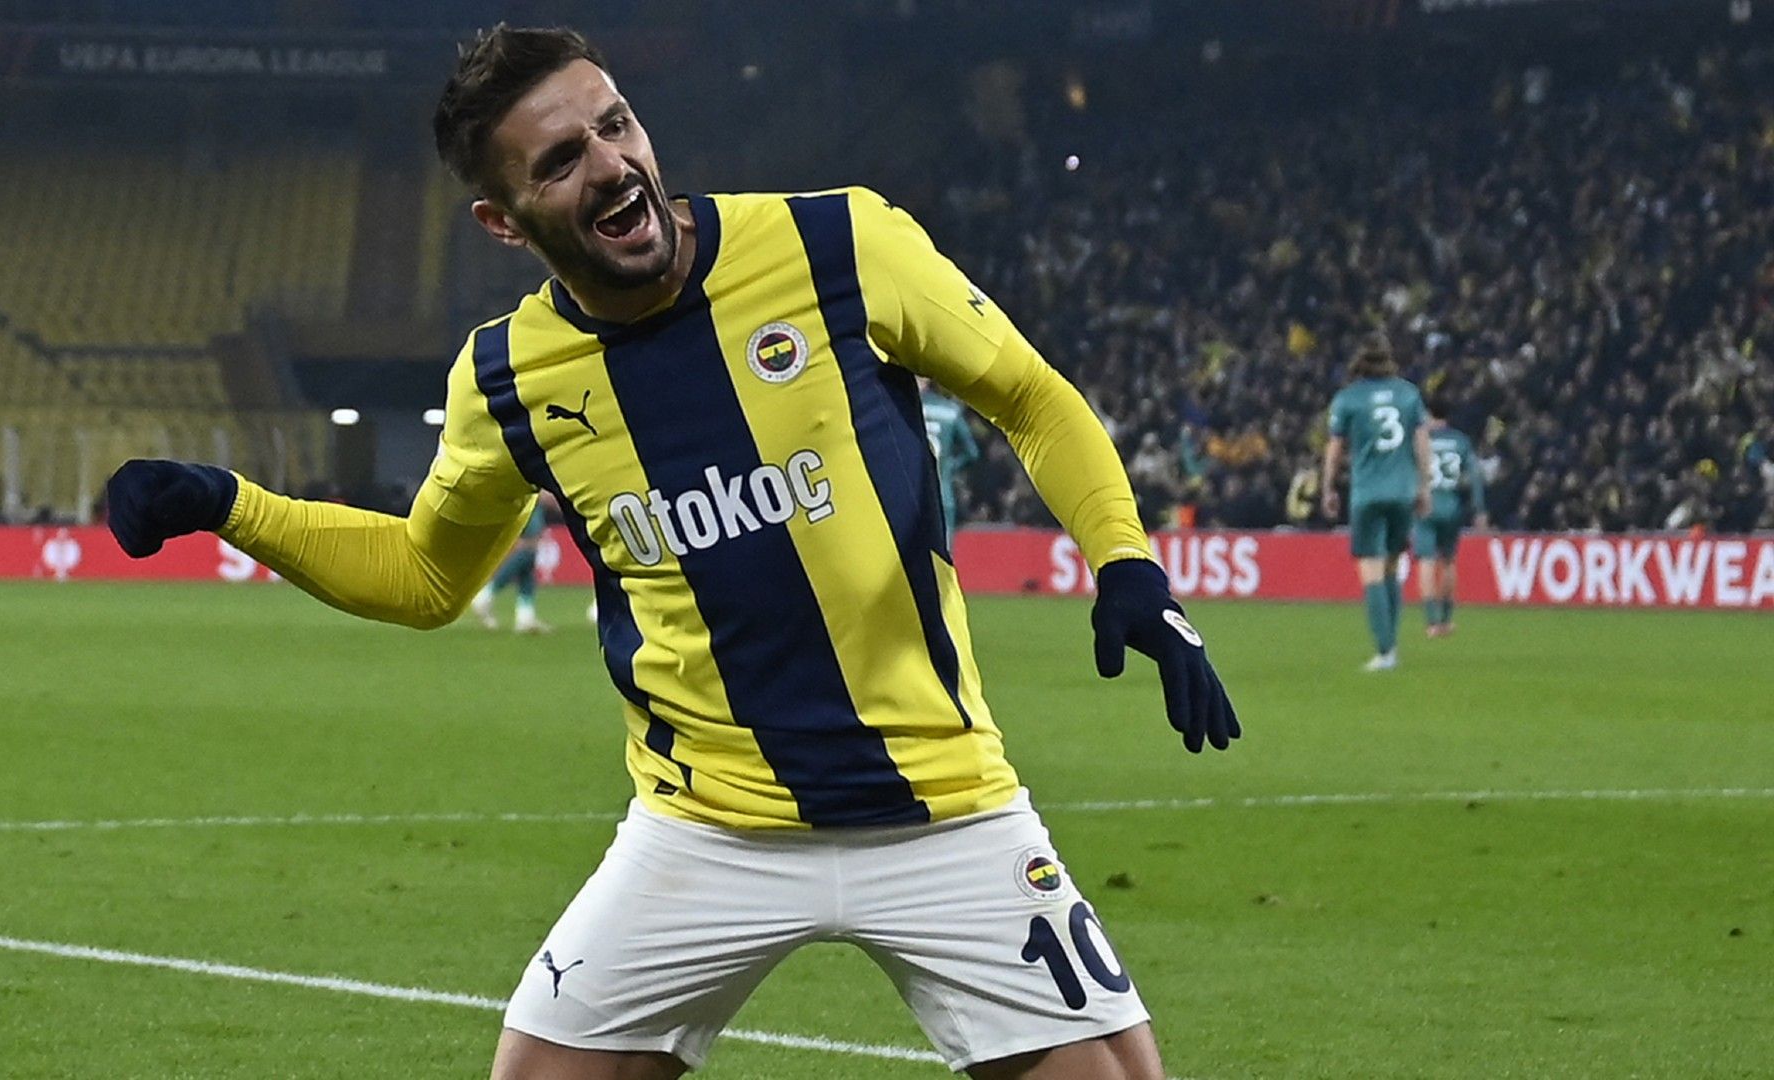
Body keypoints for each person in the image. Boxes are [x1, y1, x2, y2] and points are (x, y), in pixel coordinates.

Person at [105, 25, 1238, 1080]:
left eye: (615, 124)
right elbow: (425, 574)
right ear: (504, 221)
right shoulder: (508, 380)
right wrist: (230, 504)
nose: (608, 165)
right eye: (558, 161)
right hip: (705, 834)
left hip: (942, 808)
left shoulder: (836, 242)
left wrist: (1129, 564)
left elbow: (1030, 398)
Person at [1321, 339, 1434, 671]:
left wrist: (1328, 487)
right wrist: (1424, 486)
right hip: (1402, 491)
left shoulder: (1347, 399)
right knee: (1392, 565)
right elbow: (1422, 442)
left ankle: (1385, 652)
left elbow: (1335, 447)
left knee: (1370, 568)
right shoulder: (1409, 394)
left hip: (1367, 493)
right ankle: (1392, 643)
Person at [1414, 397, 1487, 637]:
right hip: (1452, 506)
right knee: (1448, 561)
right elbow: (1475, 475)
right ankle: (1446, 619)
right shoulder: (1461, 441)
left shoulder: (1421, 438)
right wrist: (1479, 509)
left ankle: (1432, 621)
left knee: (1426, 562)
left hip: (1426, 505)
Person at [471, 496, 553, 632]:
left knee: (527, 569)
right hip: (526, 504)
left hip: (529, 506)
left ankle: (525, 615)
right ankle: (486, 595)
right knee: (527, 552)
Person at [920, 377, 980, 546]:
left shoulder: (905, 406)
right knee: (944, 554)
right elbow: (972, 453)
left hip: (911, 495)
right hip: (943, 493)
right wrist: (950, 466)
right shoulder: (951, 412)